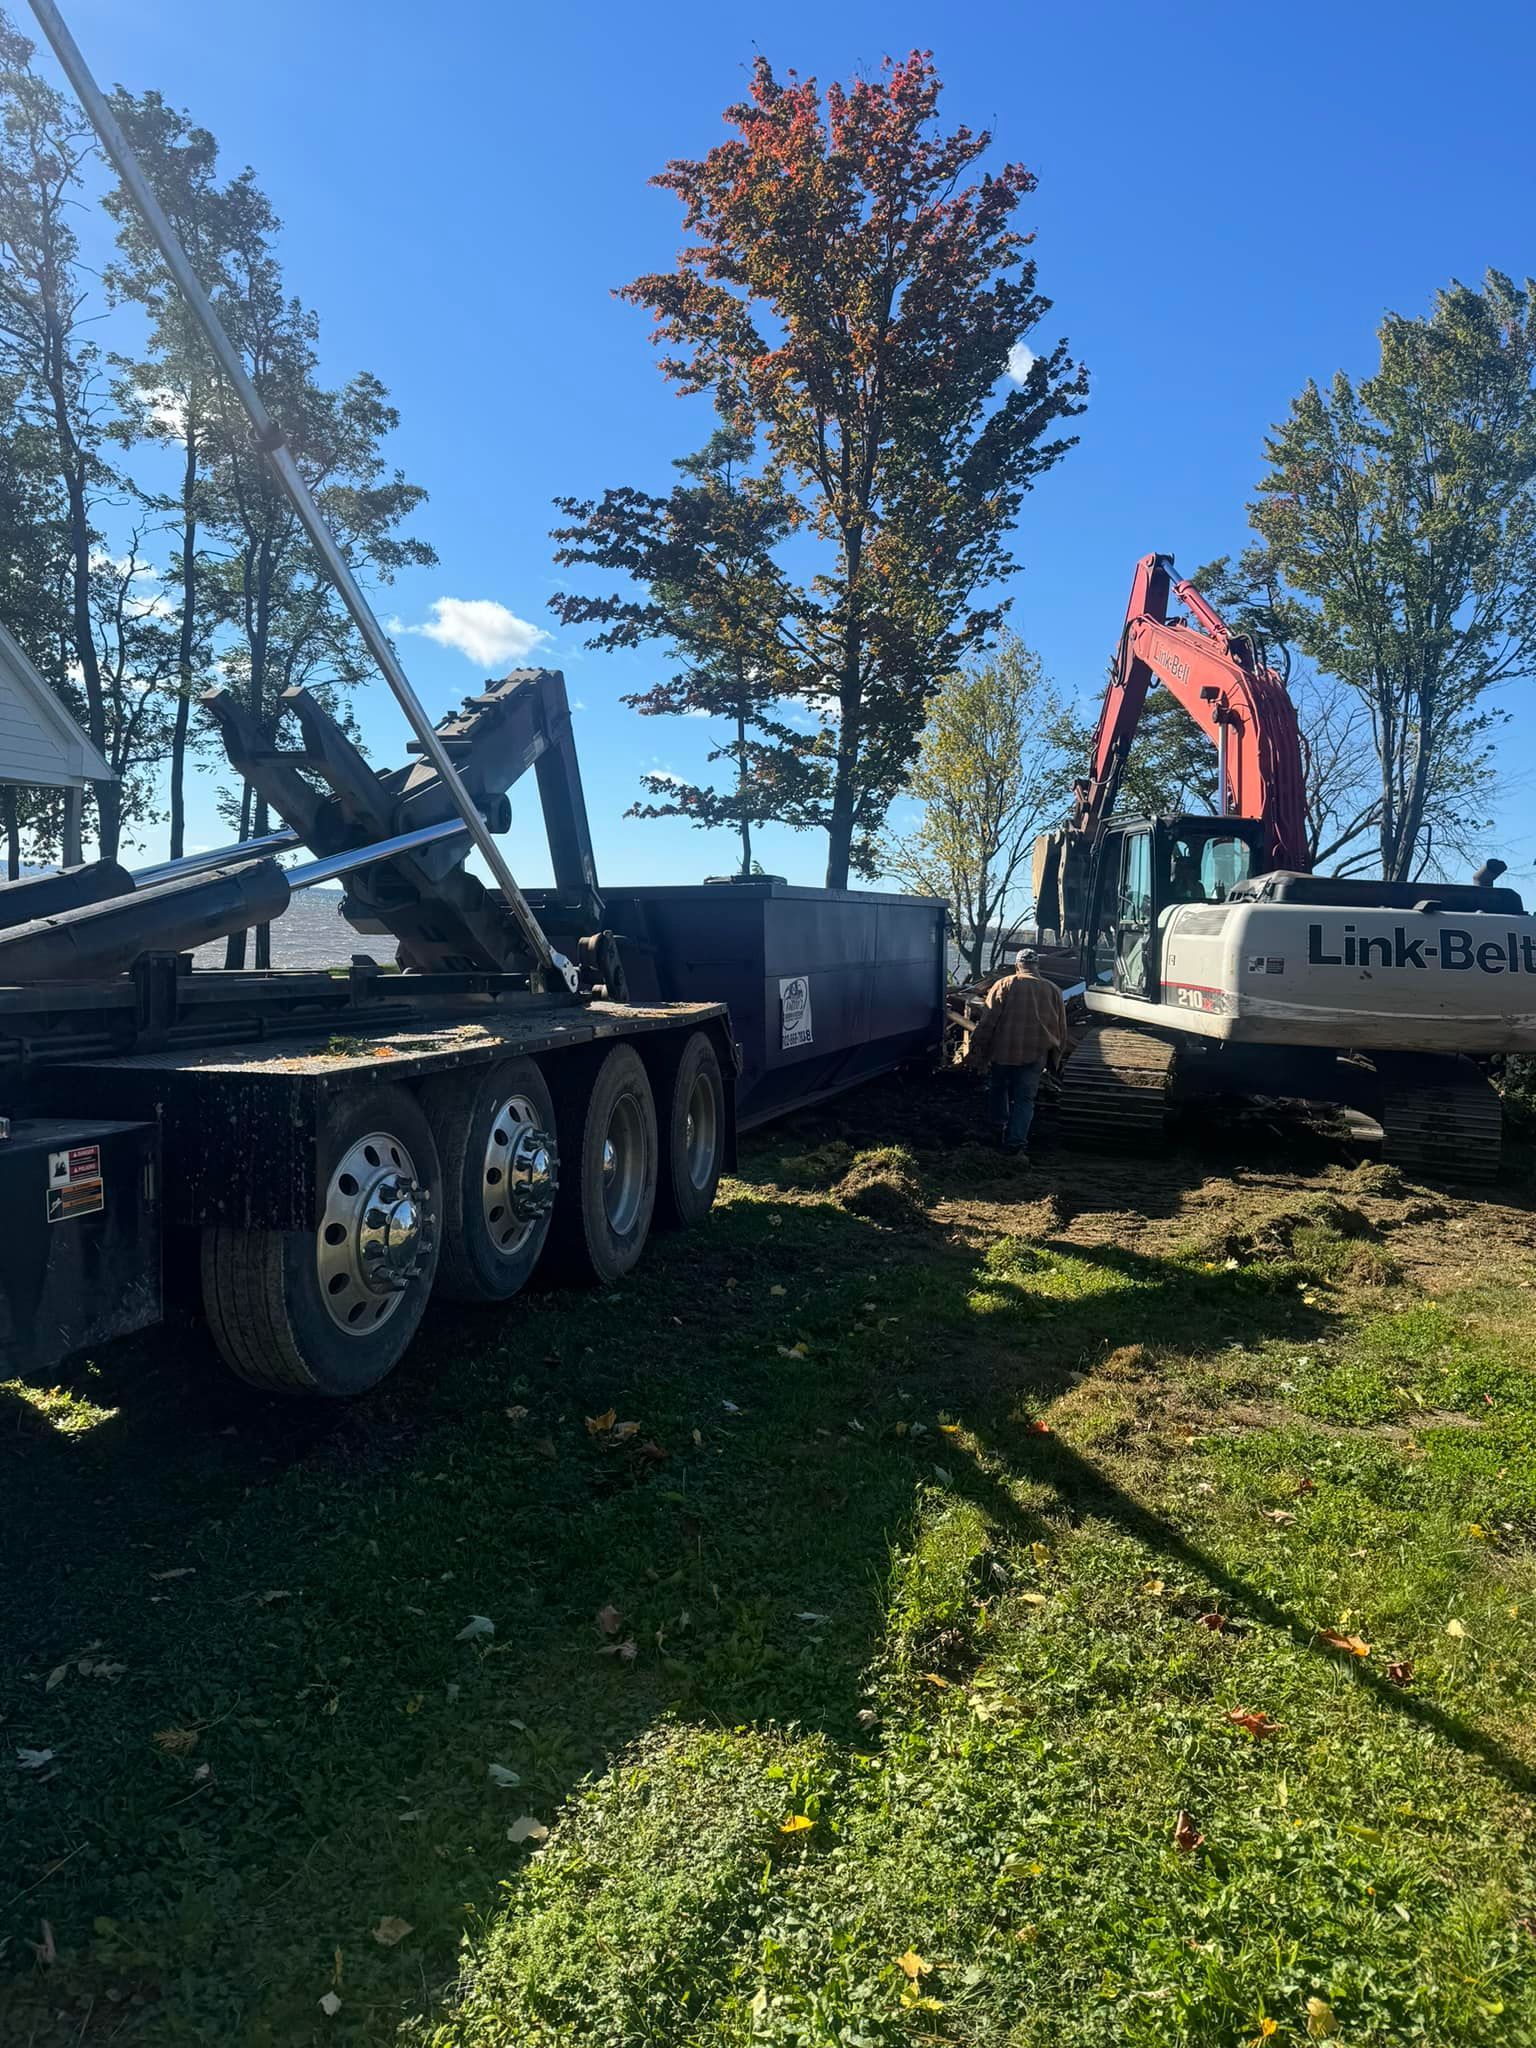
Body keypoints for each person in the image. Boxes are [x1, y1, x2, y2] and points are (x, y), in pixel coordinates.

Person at [966, 948, 1070, 1159]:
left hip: (1002, 1052)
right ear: (1036, 966)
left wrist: (977, 1047)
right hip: (1035, 1054)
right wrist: (1056, 1055)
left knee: (998, 1089)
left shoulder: (1004, 985)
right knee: (1025, 1099)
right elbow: (1061, 1027)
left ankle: (997, 1129)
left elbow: (988, 1022)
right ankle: (1016, 1143)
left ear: (1017, 965)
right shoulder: (1053, 990)